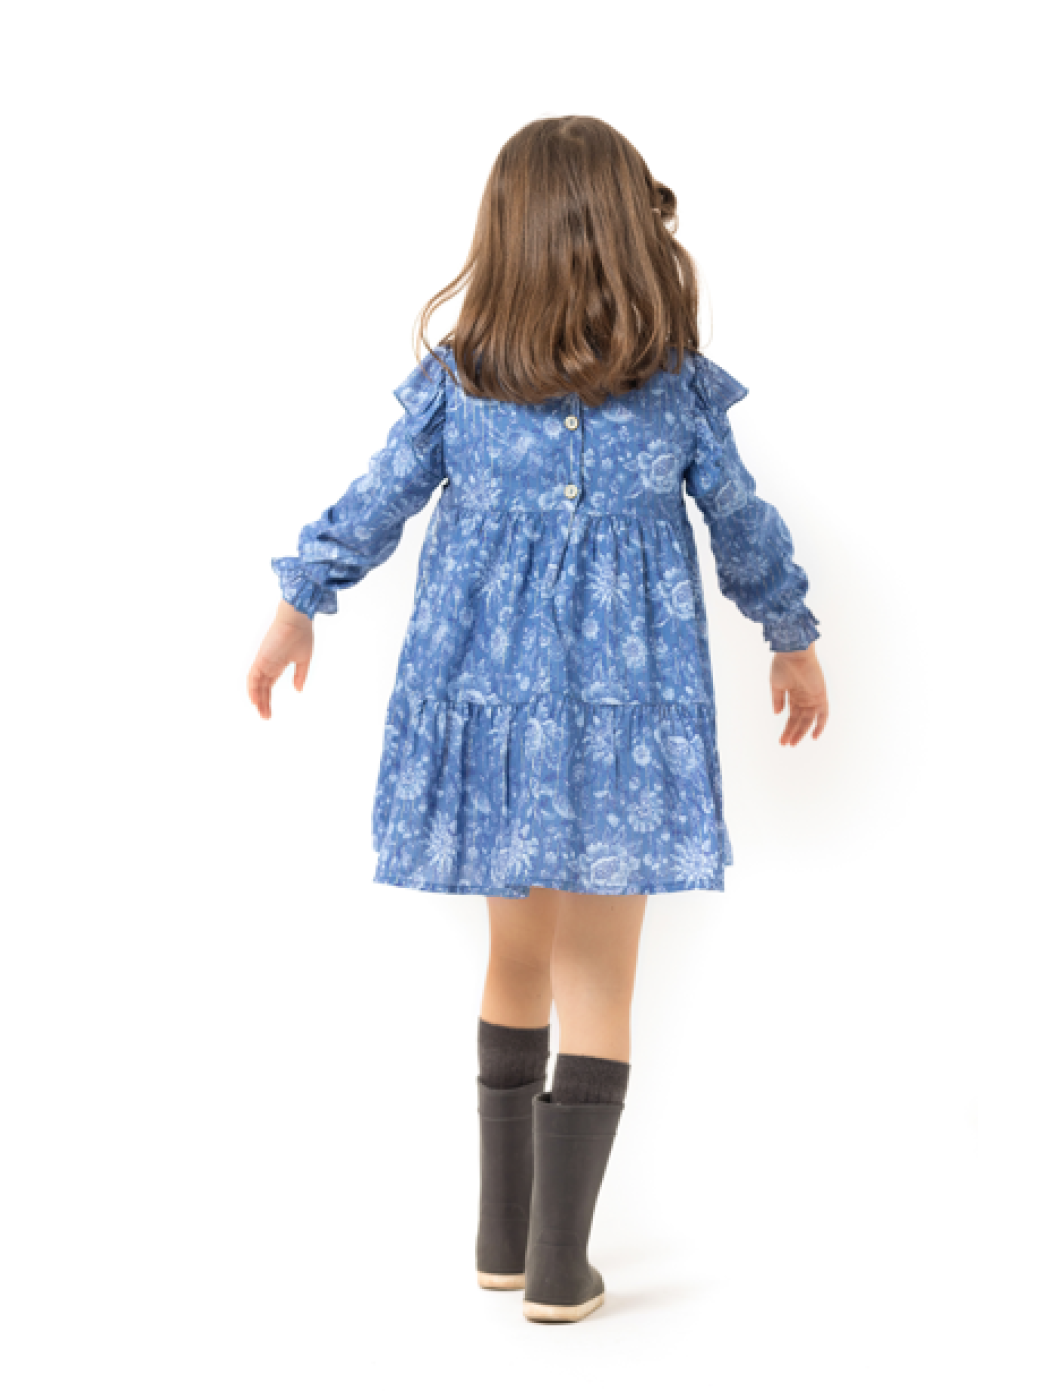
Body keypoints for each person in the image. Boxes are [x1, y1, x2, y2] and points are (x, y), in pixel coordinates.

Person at [247, 115, 829, 1324]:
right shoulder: (672, 397)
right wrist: (792, 633)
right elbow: (745, 525)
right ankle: (559, 1268)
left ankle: (501, 1242)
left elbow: (375, 500)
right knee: (598, 975)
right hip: (627, 723)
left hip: (493, 718)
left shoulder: (459, 385)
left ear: (503, 237)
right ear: (629, 236)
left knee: (516, 961)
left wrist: (300, 601)